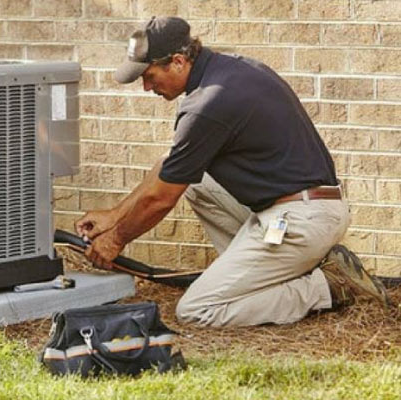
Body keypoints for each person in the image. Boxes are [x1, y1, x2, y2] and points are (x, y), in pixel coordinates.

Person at [75, 16, 390, 327]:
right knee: (192, 180)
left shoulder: (206, 106)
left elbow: (160, 199)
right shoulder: (232, 70)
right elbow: (168, 168)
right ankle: (261, 277)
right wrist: (114, 215)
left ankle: (327, 286)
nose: (146, 87)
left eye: (149, 75)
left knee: (197, 310)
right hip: (302, 208)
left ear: (178, 62)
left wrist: (115, 239)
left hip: (300, 220)